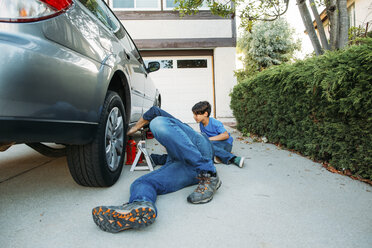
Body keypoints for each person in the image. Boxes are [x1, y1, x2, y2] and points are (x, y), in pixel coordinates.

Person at [92, 106, 221, 233]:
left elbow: (154, 111)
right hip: (187, 169)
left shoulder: (186, 130)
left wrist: (132, 130)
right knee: (141, 183)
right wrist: (149, 157)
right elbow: (167, 158)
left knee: (157, 122)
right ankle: (141, 204)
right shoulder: (176, 151)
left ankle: (209, 174)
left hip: (201, 155)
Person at [192, 101, 245, 168]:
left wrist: (208, 139)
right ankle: (218, 157)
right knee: (201, 146)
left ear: (205, 113)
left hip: (225, 144)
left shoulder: (215, 123)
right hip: (215, 145)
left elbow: (226, 135)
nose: (194, 117)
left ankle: (233, 158)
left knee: (208, 145)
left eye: (196, 115)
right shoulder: (201, 124)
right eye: (193, 114)